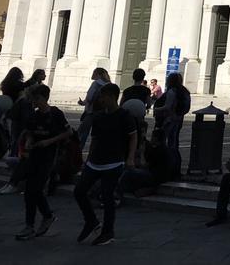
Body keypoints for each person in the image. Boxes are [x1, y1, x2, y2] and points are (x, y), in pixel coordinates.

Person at [74, 82, 136, 246]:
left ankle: (108, 232)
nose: (100, 99)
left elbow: (133, 136)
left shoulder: (124, 116)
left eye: (103, 96)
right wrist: (87, 159)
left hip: (114, 162)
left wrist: (130, 158)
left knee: (107, 197)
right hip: (95, 161)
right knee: (79, 191)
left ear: (111, 97)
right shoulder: (99, 116)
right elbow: (94, 139)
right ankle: (91, 221)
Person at [15, 83, 70, 240]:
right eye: (34, 99)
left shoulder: (55, 114)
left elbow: (67, 132)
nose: (35, 102)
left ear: (45, 98)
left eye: (38, 99)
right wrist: (28, 142)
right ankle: (33, 223)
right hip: (34, 154)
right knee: (30, 190)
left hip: (49, 156)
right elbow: (30, 132)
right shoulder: (34, 115)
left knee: (36, 189)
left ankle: (41, 219)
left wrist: (49, 141)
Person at [119, 128, 179, 197]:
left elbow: (144, 165)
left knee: (127, 173)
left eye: (152, 137)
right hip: (162, 177)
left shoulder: (157, 150)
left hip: (155, 177)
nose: (151, 139)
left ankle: (118, 193)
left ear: (156, 138)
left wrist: (142, 152)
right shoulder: (166, 149)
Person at [154, 72, 190, 152]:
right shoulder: (185, 92)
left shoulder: (172, 92)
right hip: (179, 118)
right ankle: (174, 158)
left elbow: (168, 107)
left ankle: (166, 157)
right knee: (174, 139)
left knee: (165, 139)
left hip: (169, 119)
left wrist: (156, 109)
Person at [77, 67, 109, 148]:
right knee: (97, 135)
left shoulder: (95, 83)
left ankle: (78, 150)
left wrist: (83, 103)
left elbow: (90, 98)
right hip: (102, 112)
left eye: (94, 72)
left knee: (83, 133)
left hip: (91, 112)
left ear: (98, 74)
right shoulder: (108, 84)